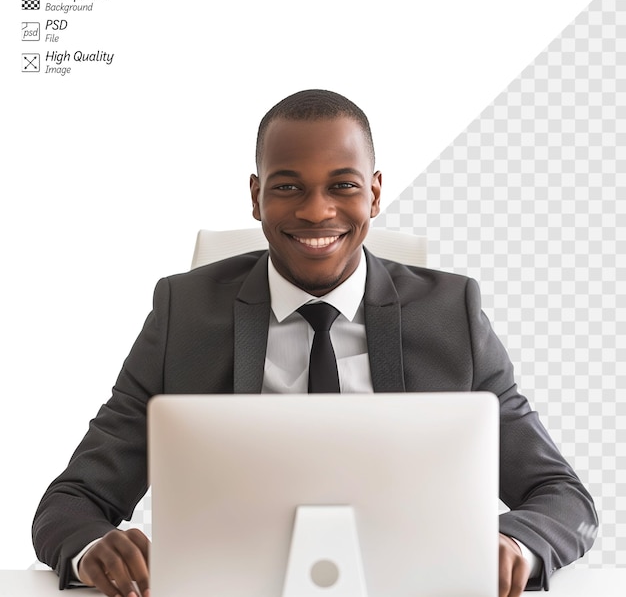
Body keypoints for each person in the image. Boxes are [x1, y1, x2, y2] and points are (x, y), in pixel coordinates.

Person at [33, 89, 597, 597]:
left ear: (374, 194)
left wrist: (513, 546)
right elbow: (72, 501)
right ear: (256, 197)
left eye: (343, 186)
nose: (316, 210)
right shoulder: (185, 314)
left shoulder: (452, 315)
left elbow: (561, 495)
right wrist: (92, 550)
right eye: (288, 187)